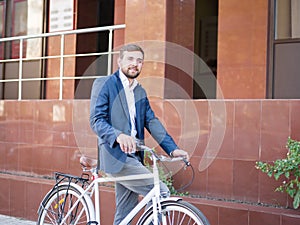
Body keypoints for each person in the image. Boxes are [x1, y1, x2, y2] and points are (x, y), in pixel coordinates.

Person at [90, 43, 189, 224]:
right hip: (115, 156)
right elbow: (97, 120)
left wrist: (173, 149)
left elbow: (151, 121)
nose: (135, 64)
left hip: (133, 157)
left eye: (139, 61)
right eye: (130, 59)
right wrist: (118, 135)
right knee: (160, 192)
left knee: (125, 213)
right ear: (119, 61)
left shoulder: (140, 91)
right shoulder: (105, 84)